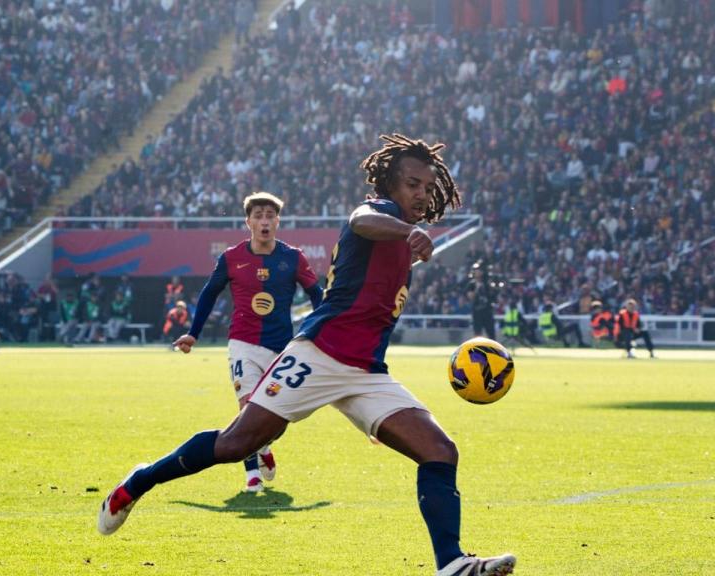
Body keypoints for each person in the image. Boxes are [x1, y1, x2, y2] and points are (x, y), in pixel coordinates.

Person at [98, 135, 516, 576]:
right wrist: (407, 229)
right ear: (390, 183)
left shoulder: (400, 237)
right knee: (237, 443)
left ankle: (451, 563)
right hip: (318, 353)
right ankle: (139, 481)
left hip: (367, 372)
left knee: (440, 450)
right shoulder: (381, 215)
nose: (421, 194)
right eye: (412, 183)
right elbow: (360, 219)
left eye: (427, 188)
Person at [173, 191, 323, 492]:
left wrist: (323, 329)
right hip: (242, 343)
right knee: (247, 411)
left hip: (282, 348)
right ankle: (252, 472)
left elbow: (317, 294)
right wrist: (194, 332)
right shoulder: (231, 258)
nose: (264, 221)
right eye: (258, 216)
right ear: (248, 222)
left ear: (278, 221)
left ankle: (264, 446)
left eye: (270, 215)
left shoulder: (293, 258)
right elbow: (208, 294)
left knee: (276, 420)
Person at [466, 261, 497, 339]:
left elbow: (493, 295)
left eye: (480, 271)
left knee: (491, 333)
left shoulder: (487, 283)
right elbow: (470, 297)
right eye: (477, 271)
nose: (479, 273)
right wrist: (477, 288)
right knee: (477, 334)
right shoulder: (472, 284)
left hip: (487, 311)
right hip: (477, 312)